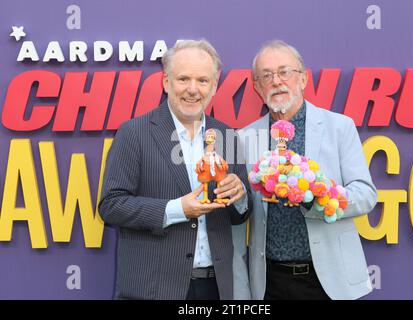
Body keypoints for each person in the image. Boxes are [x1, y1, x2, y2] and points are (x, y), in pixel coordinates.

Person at [99, 39, 252, 300]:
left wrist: (240, 195)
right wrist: (178, 209)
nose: (193, 89)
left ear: (214, 87)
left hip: (216, 289)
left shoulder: (227, 135)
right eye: (183, 79)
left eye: (203, 81)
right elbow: (111, 206)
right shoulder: (134, 133)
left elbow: (240, 216)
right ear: (166, 82)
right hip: (154, 289)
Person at [234, 40, 377, 300]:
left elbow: (365, 195)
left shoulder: (339, 127)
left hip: (327, 280)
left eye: (284, 71)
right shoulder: (245, 138)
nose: (276, 81)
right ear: (257, 87)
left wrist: (317, 197)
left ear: (303, 79)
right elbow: (242, 209)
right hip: (268, 281)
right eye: (266, 75)